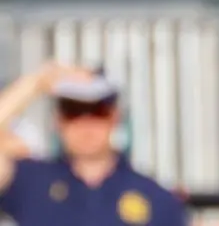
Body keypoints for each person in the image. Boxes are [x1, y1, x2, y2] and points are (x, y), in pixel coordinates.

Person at [0, 64, 187, 226]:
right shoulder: (30, 182)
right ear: (58, 121)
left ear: (114, 118)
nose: (86, 125)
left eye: (98, 112)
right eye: (74, 112)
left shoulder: (156, 199)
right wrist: (36, 83)